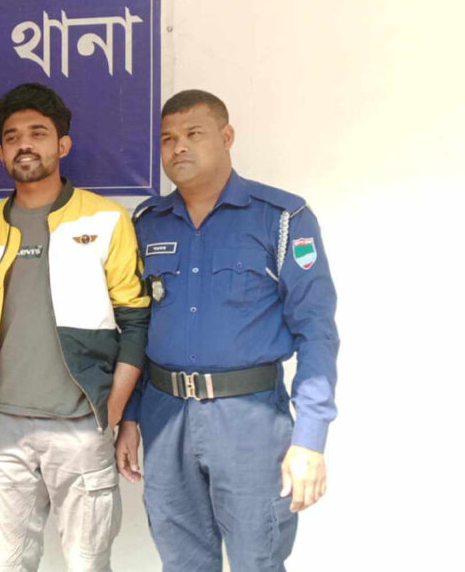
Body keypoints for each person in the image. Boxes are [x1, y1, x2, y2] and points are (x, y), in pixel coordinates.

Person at [116, 89, 339, 572]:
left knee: (257, 560)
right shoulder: (148, 223)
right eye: (167, 138)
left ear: (226, 136)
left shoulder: (282, 218)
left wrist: (310, 439)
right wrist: (130, 417)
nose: (178, 147)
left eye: (193, 133)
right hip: (165, 418)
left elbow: (317, 332)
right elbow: (137, 328)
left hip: (250, 421)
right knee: (181, 563)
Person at [0, 83, 149, 572]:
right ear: (0, 152)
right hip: (4, 429)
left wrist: (114, 408)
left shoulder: (106, 218)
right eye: (12, 136)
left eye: (38, 133)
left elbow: (135, 320)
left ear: (63, 144)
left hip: (80, 425)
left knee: (88, 564)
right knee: (9, 564)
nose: (25, 144)